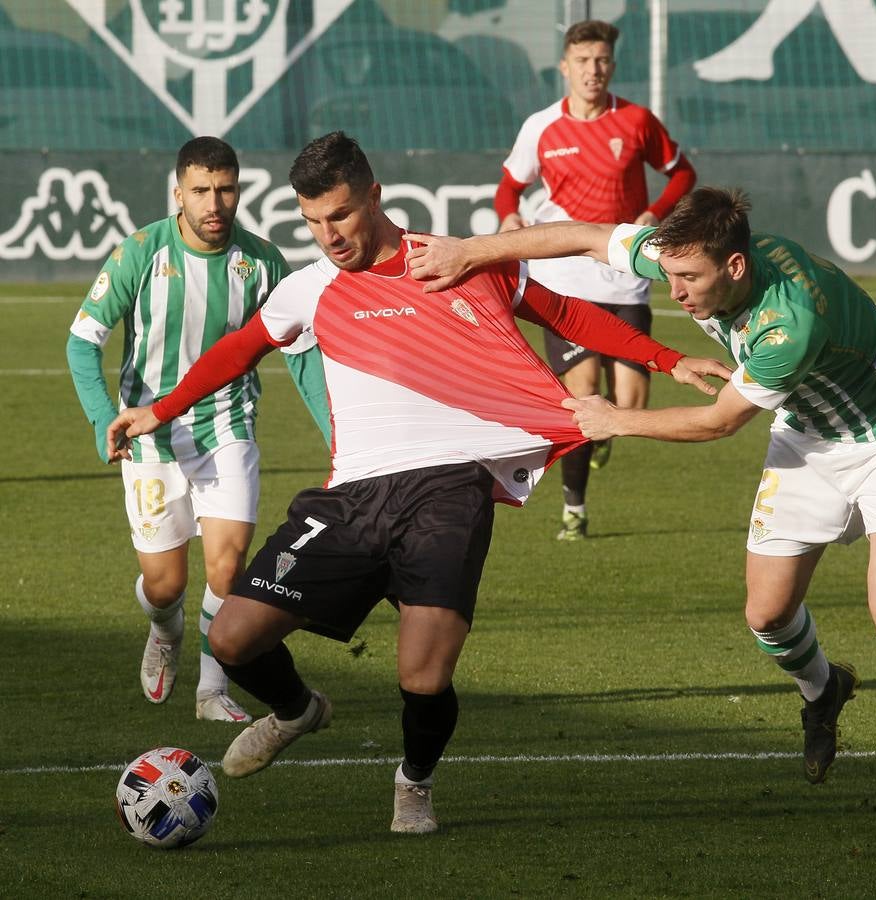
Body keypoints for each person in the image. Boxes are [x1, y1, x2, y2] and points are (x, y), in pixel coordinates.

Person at [105, 132, 731, 834]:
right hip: (353, 498)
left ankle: (415, 781)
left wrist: (666, 358)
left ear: (373, 196)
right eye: (311, 221)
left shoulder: (457, 261)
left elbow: (560, 313)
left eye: (339, 215)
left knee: (423, 678)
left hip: (448, 490)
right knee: (233, 639)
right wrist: (155, 409)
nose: (327, 235)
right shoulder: (311, 287)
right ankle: (298, 710)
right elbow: (239, 347)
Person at [405, 187, 876, 838]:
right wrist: (468, 251)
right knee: (767, 614)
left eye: (689, 279)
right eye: (667, 275)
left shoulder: (787, 323)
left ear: (734, 267)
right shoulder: (684, 256)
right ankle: (822, 690)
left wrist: (617, 420)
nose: (675, 292)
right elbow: (582, 235)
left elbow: (719, 422)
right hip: (808, 437)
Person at [67, 136, 329, 724]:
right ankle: (165, 628)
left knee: (227, 568)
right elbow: (81, 342)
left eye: (227, 189)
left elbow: (304, 358)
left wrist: (338, 441)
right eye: (202, 191)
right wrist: (99, 419)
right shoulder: (140, 251)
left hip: (227, 424)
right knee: (165, 586)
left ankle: (213, 690)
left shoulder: (262, 262)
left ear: (240, 190)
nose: (215, 203)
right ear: (178, 192)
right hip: (148, 433)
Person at [494, 18, 696, 541]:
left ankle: (604, 438)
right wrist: (509, 217)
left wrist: (654, 213)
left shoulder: (636, 121)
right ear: (565, 67)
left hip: (624, 276)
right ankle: (574, 510)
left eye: (602, 60)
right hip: (562, 279)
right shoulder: (541, 127)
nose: (593, 70)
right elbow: (509, 187)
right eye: (583, 61)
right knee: (582, 395)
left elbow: (683, 173)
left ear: (612, 65)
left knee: (631, 407)